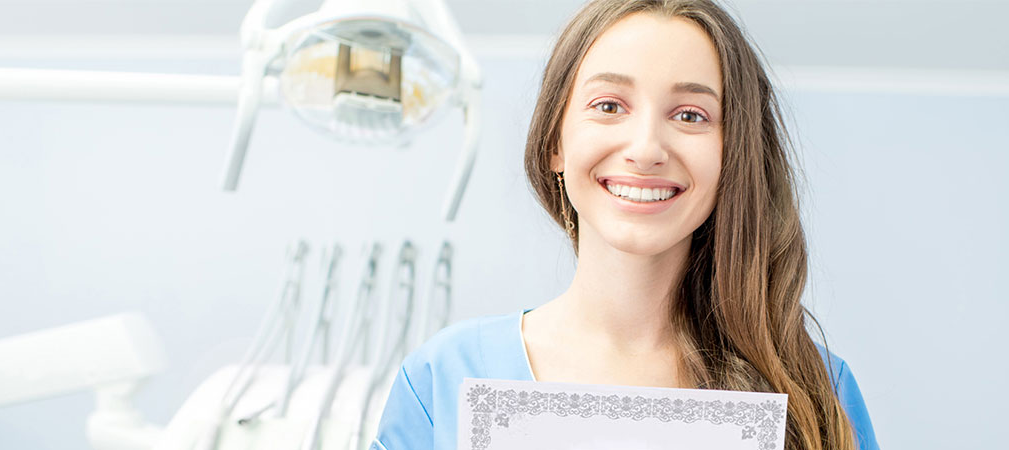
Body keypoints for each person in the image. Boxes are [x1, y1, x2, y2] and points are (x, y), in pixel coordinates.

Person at [370, 1, 879, 449]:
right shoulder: (442, 380)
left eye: (691, 115)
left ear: (733, 157)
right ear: (555, 143)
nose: (646, 150)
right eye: (609, 106)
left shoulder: (817, 390)